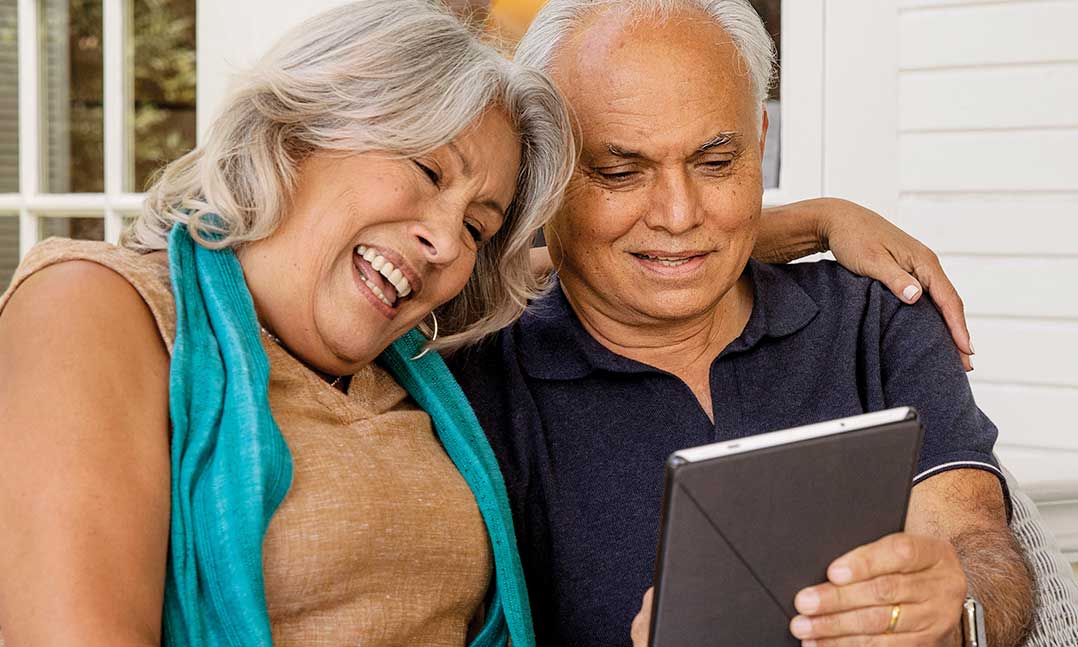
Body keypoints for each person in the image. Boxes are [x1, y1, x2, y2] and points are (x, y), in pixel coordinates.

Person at [0, 1, 986, 646]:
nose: (440, 240)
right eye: (426, 170)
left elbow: (621, 248)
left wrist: (796, 225)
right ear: (299, 130)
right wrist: (805, 221)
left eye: (476, 222)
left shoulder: (412, 364)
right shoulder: (105, 306)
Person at [448, 1, 1035, 646]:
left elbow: (980, 549)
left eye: (717, 163)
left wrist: (955, 614)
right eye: (621, 172)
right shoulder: (474, 386)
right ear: (546, 174)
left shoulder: (878, 316)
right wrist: (811, 221)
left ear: (759, 140)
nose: (678, 214)